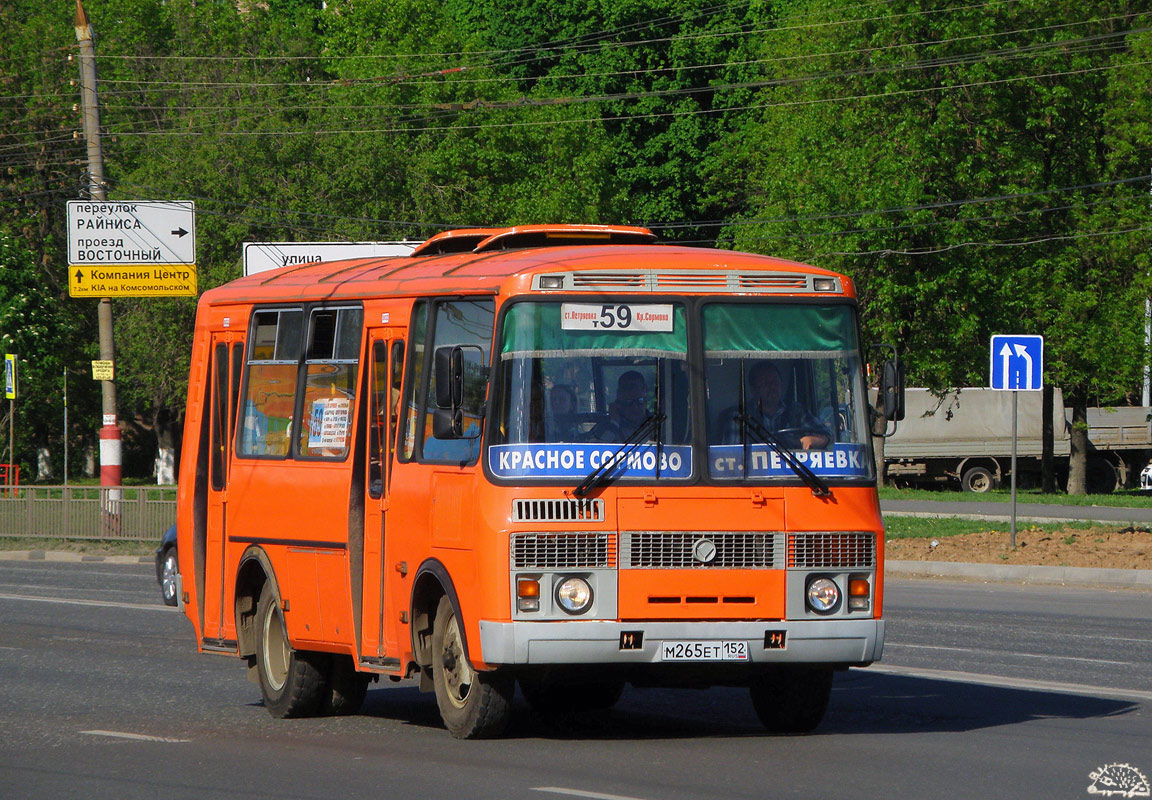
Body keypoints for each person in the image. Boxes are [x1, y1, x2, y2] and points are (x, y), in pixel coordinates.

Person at [727, 361, 829, 450]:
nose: (772, 386)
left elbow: (827, 436)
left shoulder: (797, 411)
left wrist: (813, 440)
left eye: (775, 381)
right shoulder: (740, 417)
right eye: (765, 383)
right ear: (754, 390)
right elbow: (733, 456)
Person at [591, 370, 650, 442]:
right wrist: (614, 423)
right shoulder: (604, 427)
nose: (635, 407)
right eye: (629, 402)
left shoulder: (657, 425)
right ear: (619, 400)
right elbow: (598, 449)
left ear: (646, 397)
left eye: (640, 401)